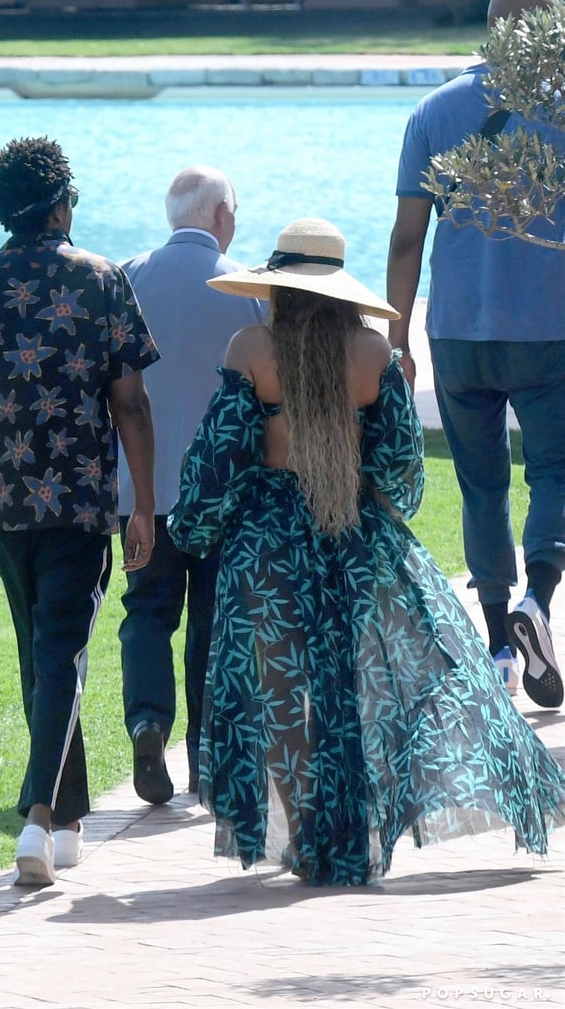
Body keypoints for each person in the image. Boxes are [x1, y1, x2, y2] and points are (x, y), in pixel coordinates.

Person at [167, 217, 564, 886]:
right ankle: (350, 831)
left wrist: (192, 529)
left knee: (282, 691)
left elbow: (219, 457)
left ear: (278, 286)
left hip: (268, 542)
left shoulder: (249, 347)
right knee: (354, 685)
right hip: (354, 533)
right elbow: (401, 469)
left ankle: (304, 839)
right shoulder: (370, 353)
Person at [0, 136, 159, 887]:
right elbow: (131, 403)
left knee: (42, 651)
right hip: (82, 496)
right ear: (59, 202)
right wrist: (143, 502)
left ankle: (70, 814)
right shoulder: (102, 280)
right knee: (60, 651)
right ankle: (39, 819)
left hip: (5, 496)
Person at [386, 0, 564, 708]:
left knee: (480, 485)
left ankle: (496, 642)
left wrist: (394, 340)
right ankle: (540, 600)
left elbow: (405, 239)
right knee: (554, 471)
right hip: (548, 330)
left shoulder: (432, 111)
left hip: (455, 331)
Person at [117, 166, 265, 804]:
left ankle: (148, 723)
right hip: (224, 495)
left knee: (147, 613)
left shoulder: (125, 277)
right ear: (221, 216)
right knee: (211, 619)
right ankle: (205, 754)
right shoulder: (249, 291)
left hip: (141, 492)